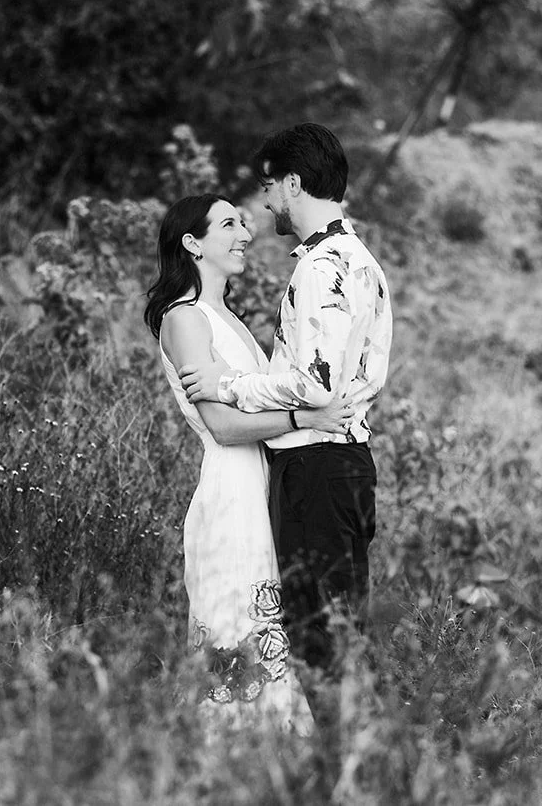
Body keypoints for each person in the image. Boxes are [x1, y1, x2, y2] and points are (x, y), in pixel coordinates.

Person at [178, 123, 392, 683]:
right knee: (338, 633)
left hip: (317, 468)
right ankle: (346, 757)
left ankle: (341, 760)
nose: (265, 201)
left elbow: (314, 385)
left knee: (320, 642)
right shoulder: (361, 261)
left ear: (293, 183)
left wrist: (228, 386)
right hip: (341, 464)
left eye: (270, 186)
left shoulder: (321, 269)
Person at [146, 192, 352, 734]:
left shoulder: (226, 318)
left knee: (270, 639)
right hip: (230, 491)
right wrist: (308, 420)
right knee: (237, 638)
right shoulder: (185, 319)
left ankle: (273, 767)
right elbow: (223, 426)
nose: (245, 232)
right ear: (192, 243)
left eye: (243, 221)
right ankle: (228, 765)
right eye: (229, 224)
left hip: (260, 486)